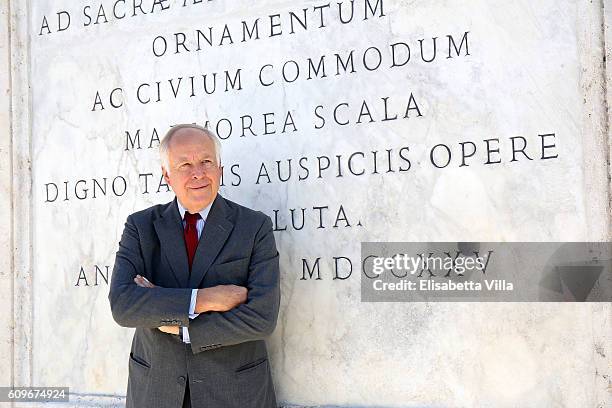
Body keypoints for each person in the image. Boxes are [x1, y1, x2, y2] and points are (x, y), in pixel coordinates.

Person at [108, 124, 280, 408]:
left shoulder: (254, 227)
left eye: (206, 161)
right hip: (156, 391)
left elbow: (261, 318)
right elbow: (124, 305)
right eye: (185, 164)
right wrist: (205, 299)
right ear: (167, 175)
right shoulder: (140, 227)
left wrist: (175, 323)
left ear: (220, 168)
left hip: (234, 393)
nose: (198, 173)